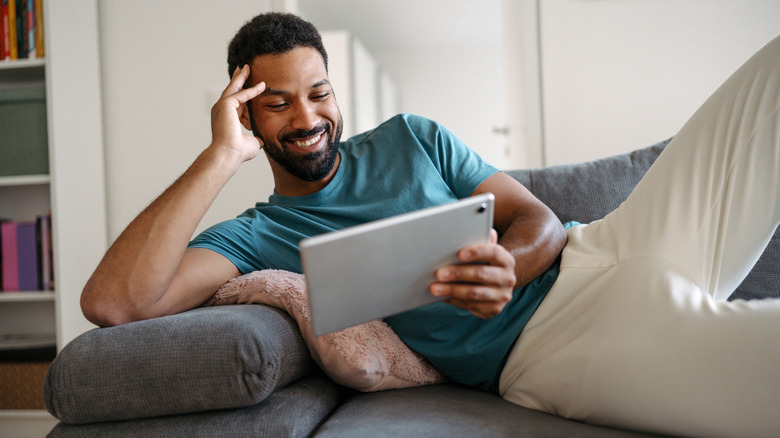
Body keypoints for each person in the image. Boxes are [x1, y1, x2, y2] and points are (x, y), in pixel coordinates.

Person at [81, 12, 780, 438]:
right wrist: (217, 158)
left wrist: (513, 264)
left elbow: (530, 217)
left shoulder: (412, 137)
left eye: (319, 93)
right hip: (558, 353)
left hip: (611, 247)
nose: (306, 118)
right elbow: (116, 303)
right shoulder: (258, 233)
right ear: (245, 116)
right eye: (278, 105)